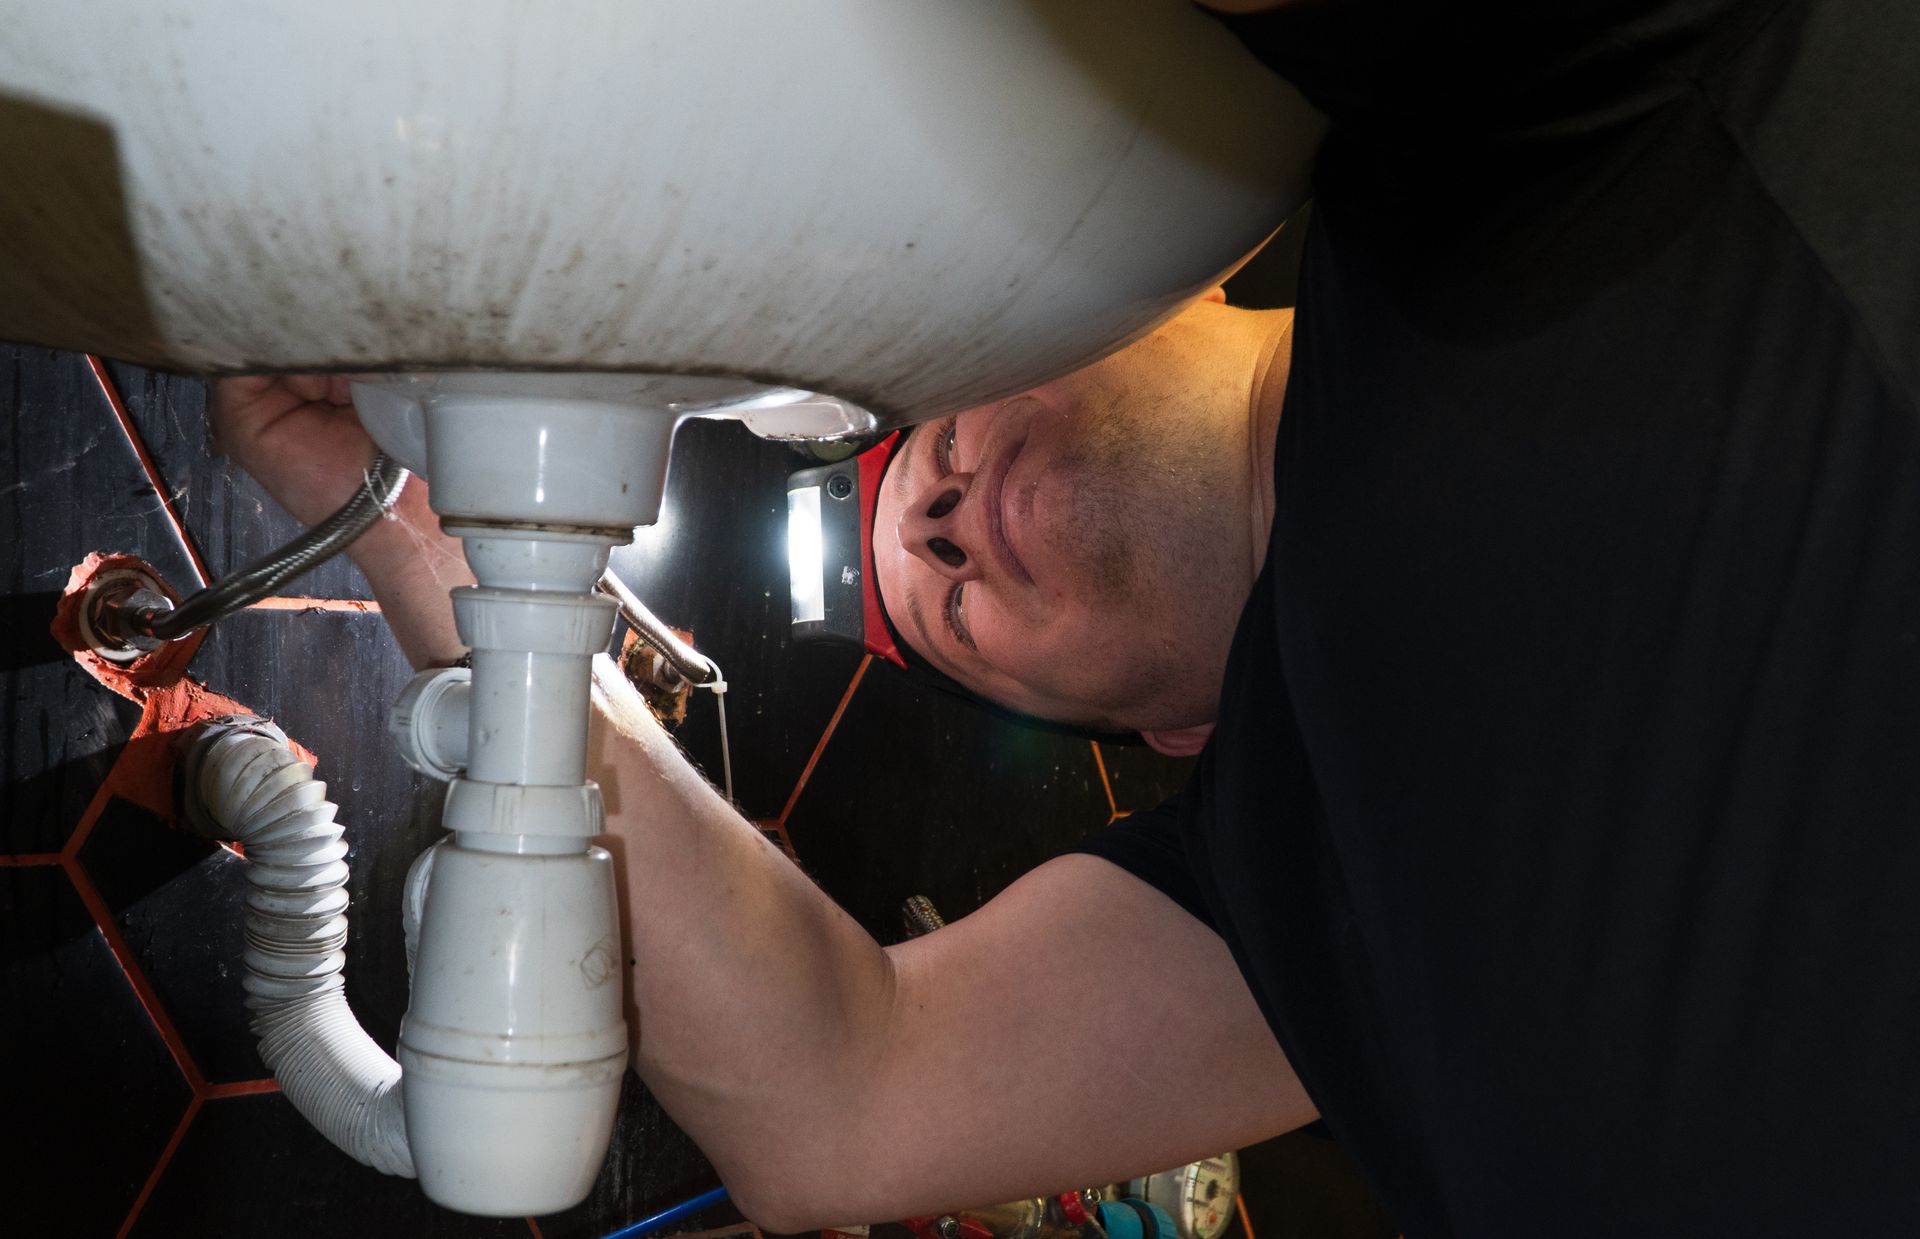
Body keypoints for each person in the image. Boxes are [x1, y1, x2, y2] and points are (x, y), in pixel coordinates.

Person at [214, 0, 1920, 1234]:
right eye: (950, 607)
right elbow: (846, 1104)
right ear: (1166, 740)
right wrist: (433, 541)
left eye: (934, 458)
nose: (946, 524)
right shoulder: (1279, 900)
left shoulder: (1520, 141)